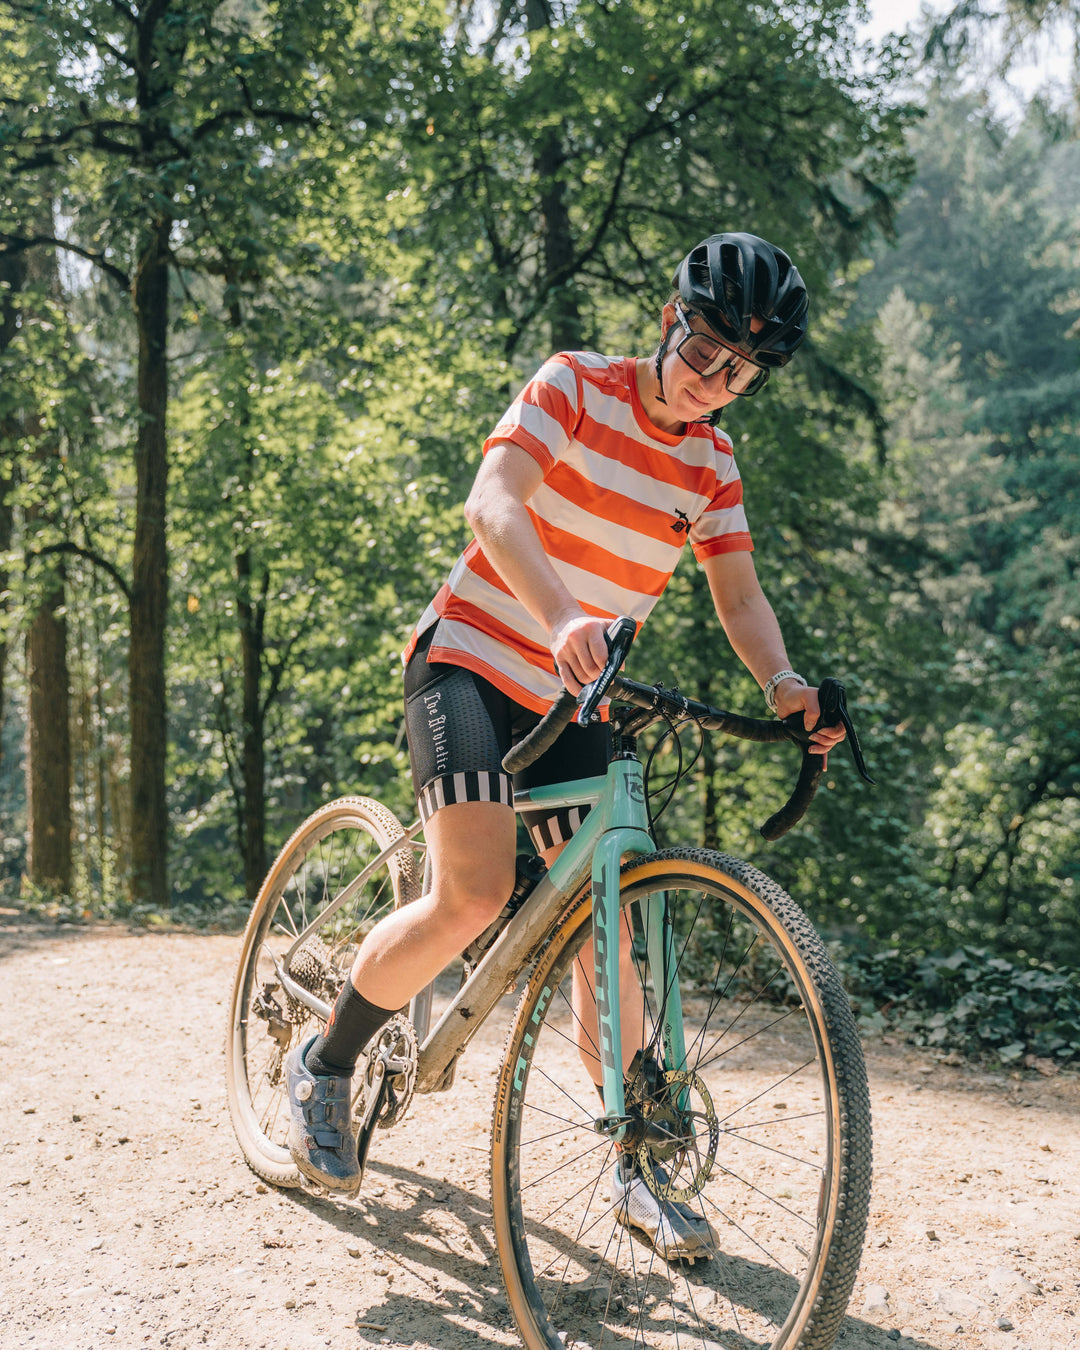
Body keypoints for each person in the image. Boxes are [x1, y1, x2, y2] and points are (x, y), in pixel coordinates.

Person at [285, 231, 847, 1258]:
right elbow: (493, 503)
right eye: (706, 353)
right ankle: (327, 1062)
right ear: (670, 320)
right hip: (471, 662)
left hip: (574, 695)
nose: (716, 383)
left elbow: (739, 593)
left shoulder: (712, 462)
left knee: (609, 934)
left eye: (741, 374)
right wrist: (556, 618)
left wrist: (786, 686)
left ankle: (638, 1163)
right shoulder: (576, 385)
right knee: (469, 893)